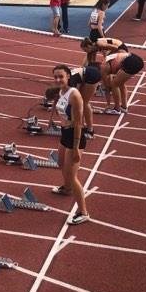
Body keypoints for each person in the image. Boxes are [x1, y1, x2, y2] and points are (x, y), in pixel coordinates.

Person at [45, 65, 89, 225]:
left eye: (61, 77)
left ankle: (83, 212)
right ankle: (67, 188)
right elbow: (57, 102)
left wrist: (76, 148)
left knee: (72, 174)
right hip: (65, 132)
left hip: (74, 136)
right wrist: (51, 118)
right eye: (55, 77)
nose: (58, 80)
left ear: (68, 77)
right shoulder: (60, 91)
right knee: (60, 162)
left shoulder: (74, 95)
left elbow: (79, 123)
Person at [47, 63, 102, 139]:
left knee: (84, 103)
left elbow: (76, 102)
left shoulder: (69, 85)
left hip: (92, 75)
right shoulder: (60, 87)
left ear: (56, 94)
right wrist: (50, 119)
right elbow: (55, 102)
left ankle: (90, 130)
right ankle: (81, 127)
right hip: (84, 76)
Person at [102, 51, 145, 115]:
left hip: (131, 62)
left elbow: (107, 89)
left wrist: (108, 104)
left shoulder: (103, 69)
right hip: (136, 59)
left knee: (114, 84)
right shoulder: (105, 64)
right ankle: (124, 107)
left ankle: (117, 109)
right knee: (120, 83)